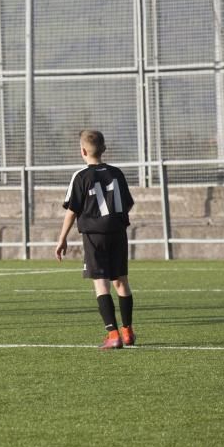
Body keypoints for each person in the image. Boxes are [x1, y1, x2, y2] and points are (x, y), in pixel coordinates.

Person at [54, 130, 135, 349]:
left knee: (101, 283)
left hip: (94, 235)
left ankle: (113, 335)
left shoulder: (80, 176)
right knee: (121, 281)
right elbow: (128, 203)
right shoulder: (117, 173)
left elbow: (72, 210)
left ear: (82, 151)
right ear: (104, 149)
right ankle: (128, 331)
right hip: (118, 232)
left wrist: (62, 239)